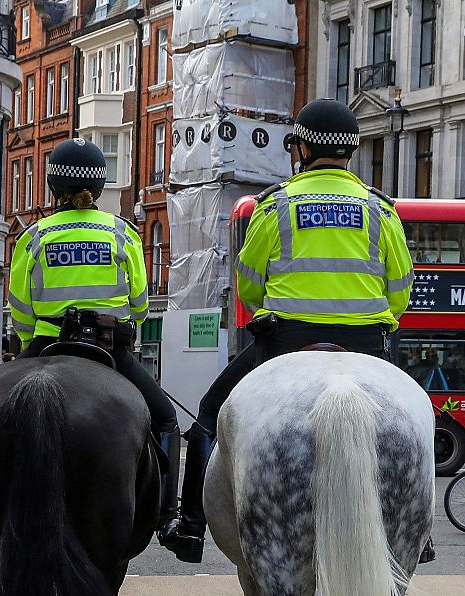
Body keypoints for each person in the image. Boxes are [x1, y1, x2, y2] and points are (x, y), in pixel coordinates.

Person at [159, 98, 414, 564]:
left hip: (284, 343)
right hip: (366, 347)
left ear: (301, 149)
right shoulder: (382, 210)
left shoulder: (275, 204)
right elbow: (399, 291)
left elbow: (249, 282)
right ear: (349, 151)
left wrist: (274, 310)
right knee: (418, 421)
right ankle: (420, 531)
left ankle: (191, 527)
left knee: (207, 417)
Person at [8, 136, 180, 530]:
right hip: (108, 350)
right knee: (166, 419)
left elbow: (20, 307)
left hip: (46, 345)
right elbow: (138, 303)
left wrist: (29, 339)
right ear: (99, 188)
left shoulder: (34, 236)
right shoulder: (122, 234)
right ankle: (168, 517)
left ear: (54, 187)